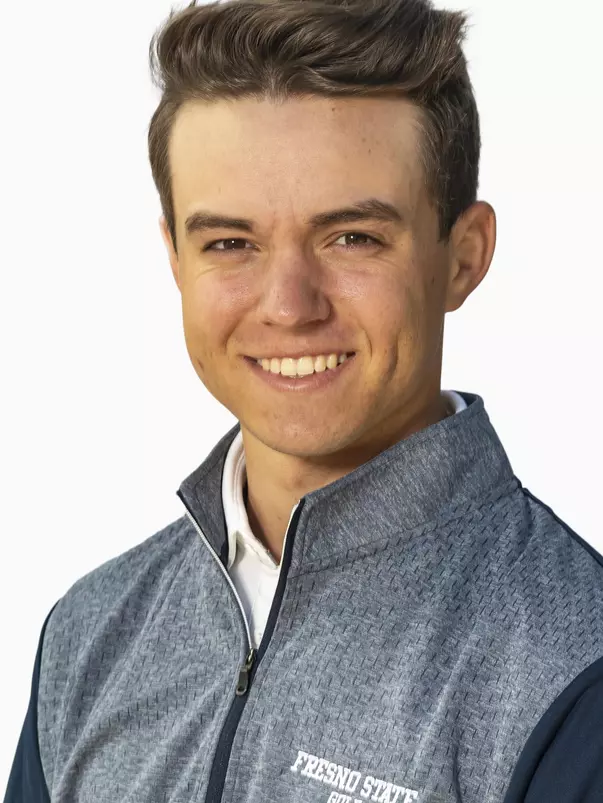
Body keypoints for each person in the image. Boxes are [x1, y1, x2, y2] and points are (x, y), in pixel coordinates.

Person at [5, 0, 603, 801]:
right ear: (176, 260)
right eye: (229, 243)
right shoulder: (91, 632)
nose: (288, 305)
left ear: (462, 256)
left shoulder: (574, 667)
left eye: (350, 237)